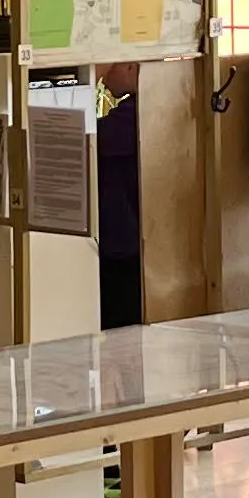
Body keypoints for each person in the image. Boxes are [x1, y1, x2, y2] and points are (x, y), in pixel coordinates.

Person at [95, 58, 147, 331]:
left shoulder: (133, 116)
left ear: (130, 66)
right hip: (134, 243)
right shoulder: (146, 108)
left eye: (107, 66)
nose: (103, 75)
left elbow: (81, 143)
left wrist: (90, 80)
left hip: (122, 247)